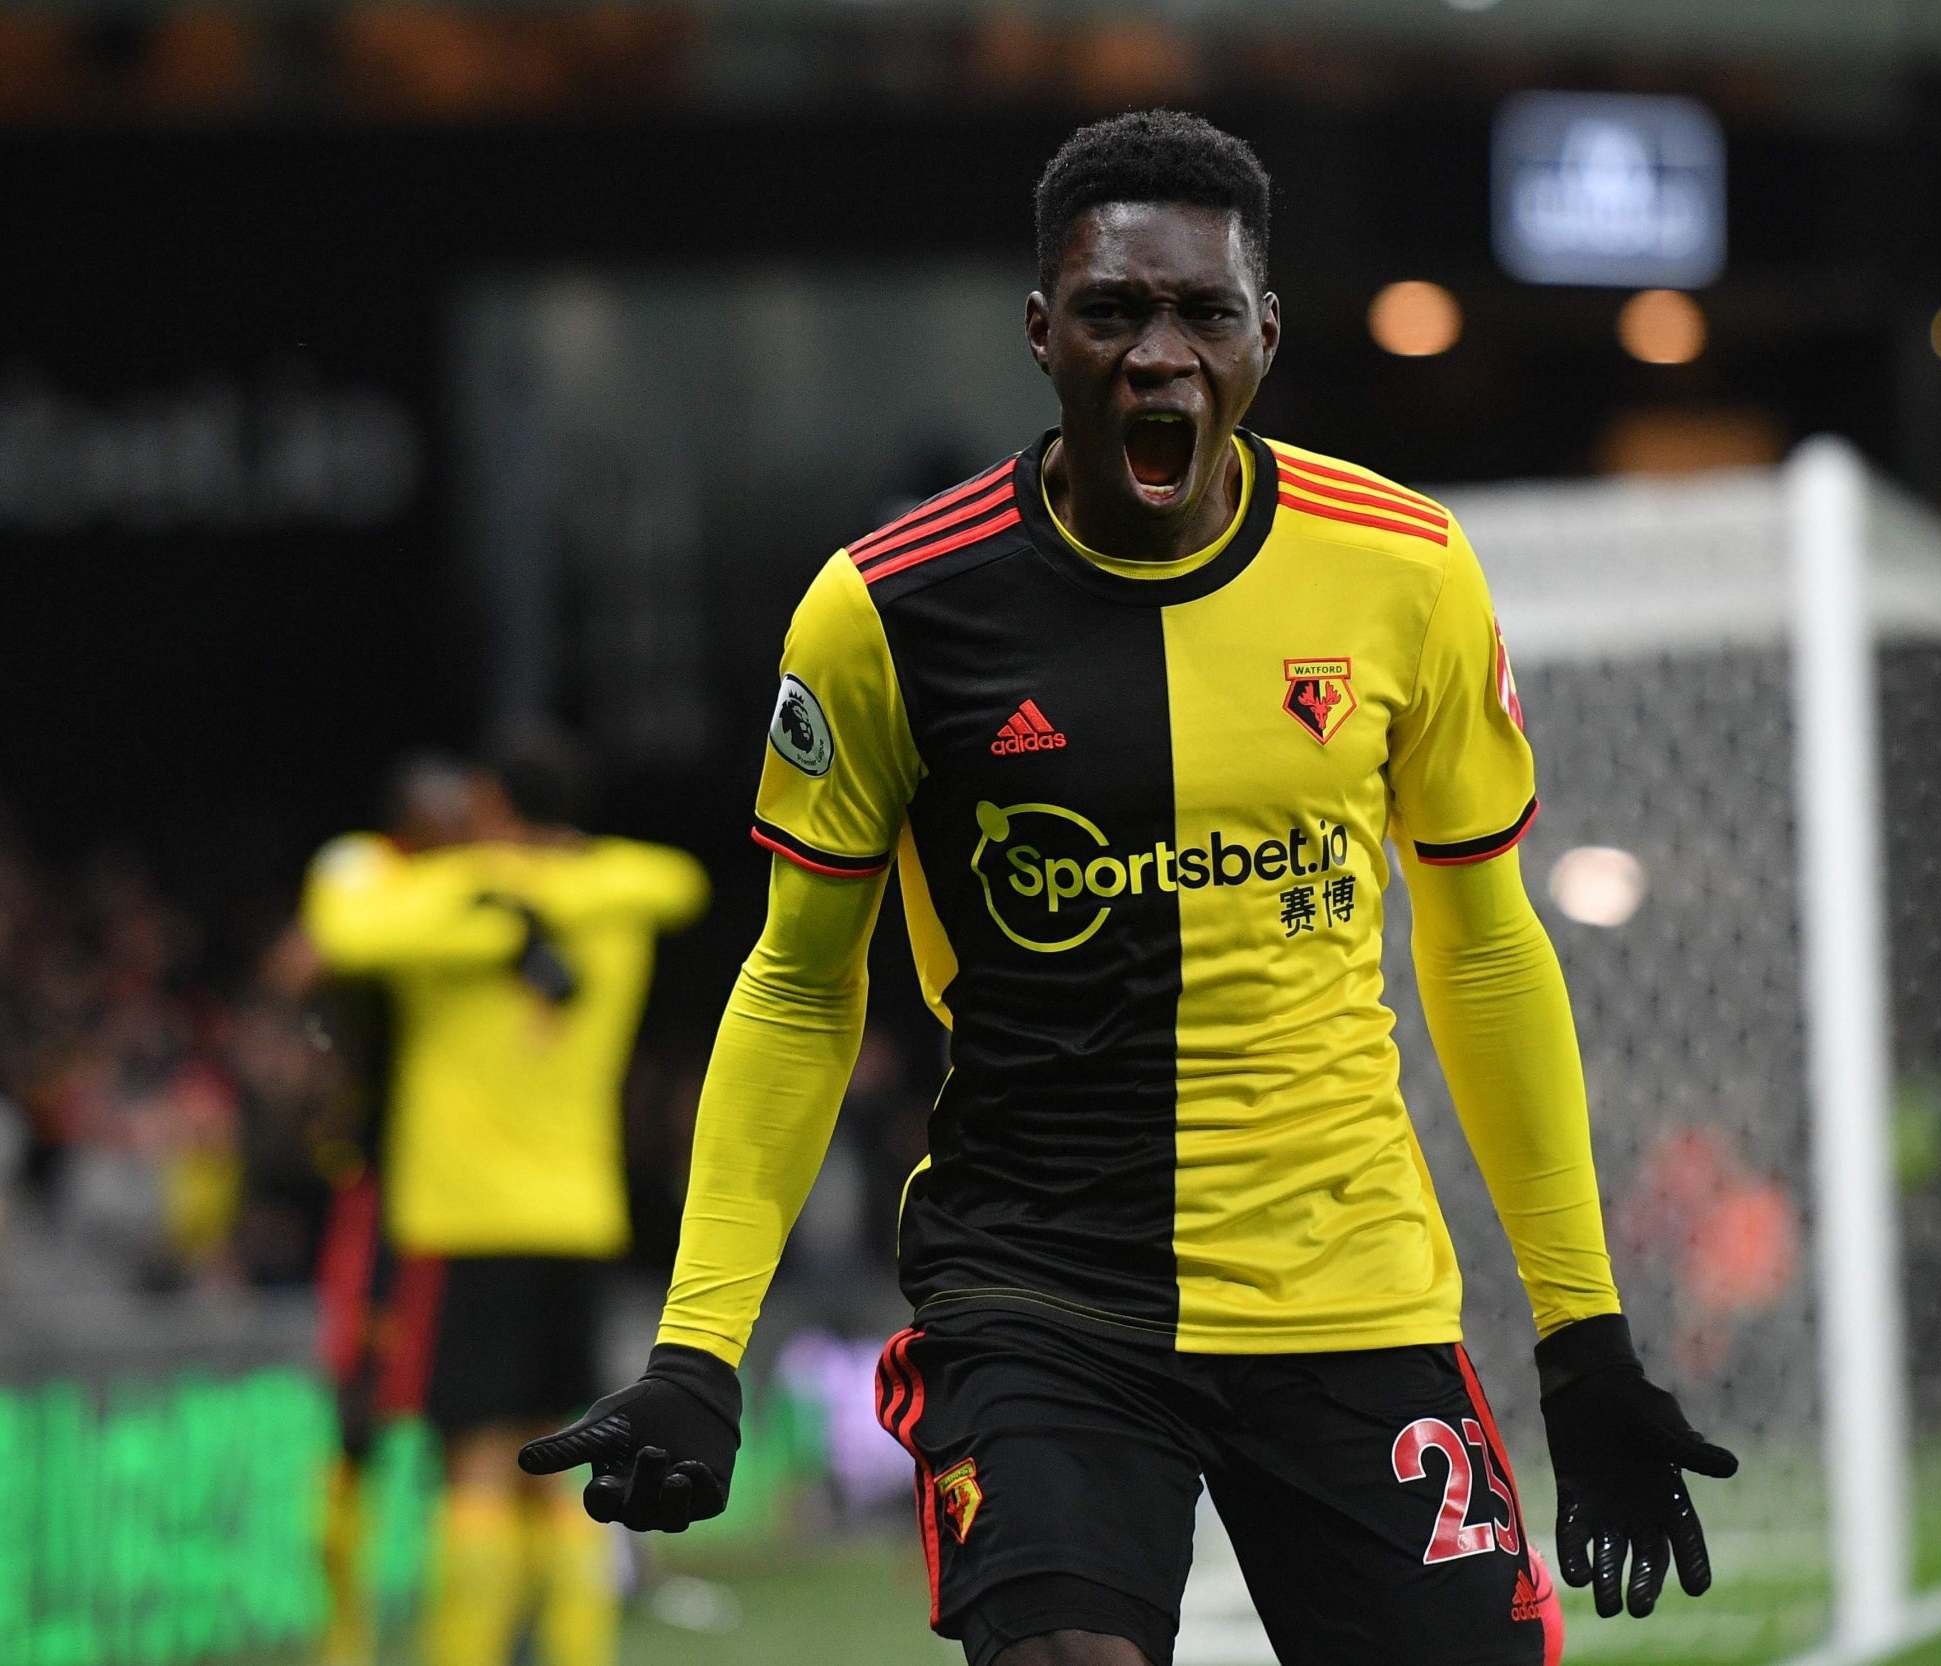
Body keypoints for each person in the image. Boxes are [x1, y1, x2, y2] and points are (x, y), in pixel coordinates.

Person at [524, 110, 1736, 1666]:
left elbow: (1485, 947)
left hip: (1345, 1284)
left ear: (1266, 336)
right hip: (1040, 1295)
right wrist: (698, 1345)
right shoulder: (886, 612)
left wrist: (1583, 1338)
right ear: (1041, 331)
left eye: (1203, 313)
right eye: (1113, 311)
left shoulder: (1405, 569)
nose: (1158, 353)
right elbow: (800, 981)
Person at [308, 736, 708, 1666]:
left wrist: (487, 885)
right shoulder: (618, 896)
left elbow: (342, 927)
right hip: (577, 1217)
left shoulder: (447, 898)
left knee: (478, 1467)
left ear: (489, 806)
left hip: (463, 1220)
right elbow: (677, 881)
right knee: (558, 1467)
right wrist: (558, 879)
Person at [280, 752, 494, 1666]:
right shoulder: (365, 878)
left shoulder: (480, 900)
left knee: (465, 1421)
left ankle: (467, 1632)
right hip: (380, 1188)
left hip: (469, 1195)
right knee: (357, 1411)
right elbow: (301, 962)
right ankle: (344, 1635)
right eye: (451, 826)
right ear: (415, 827)